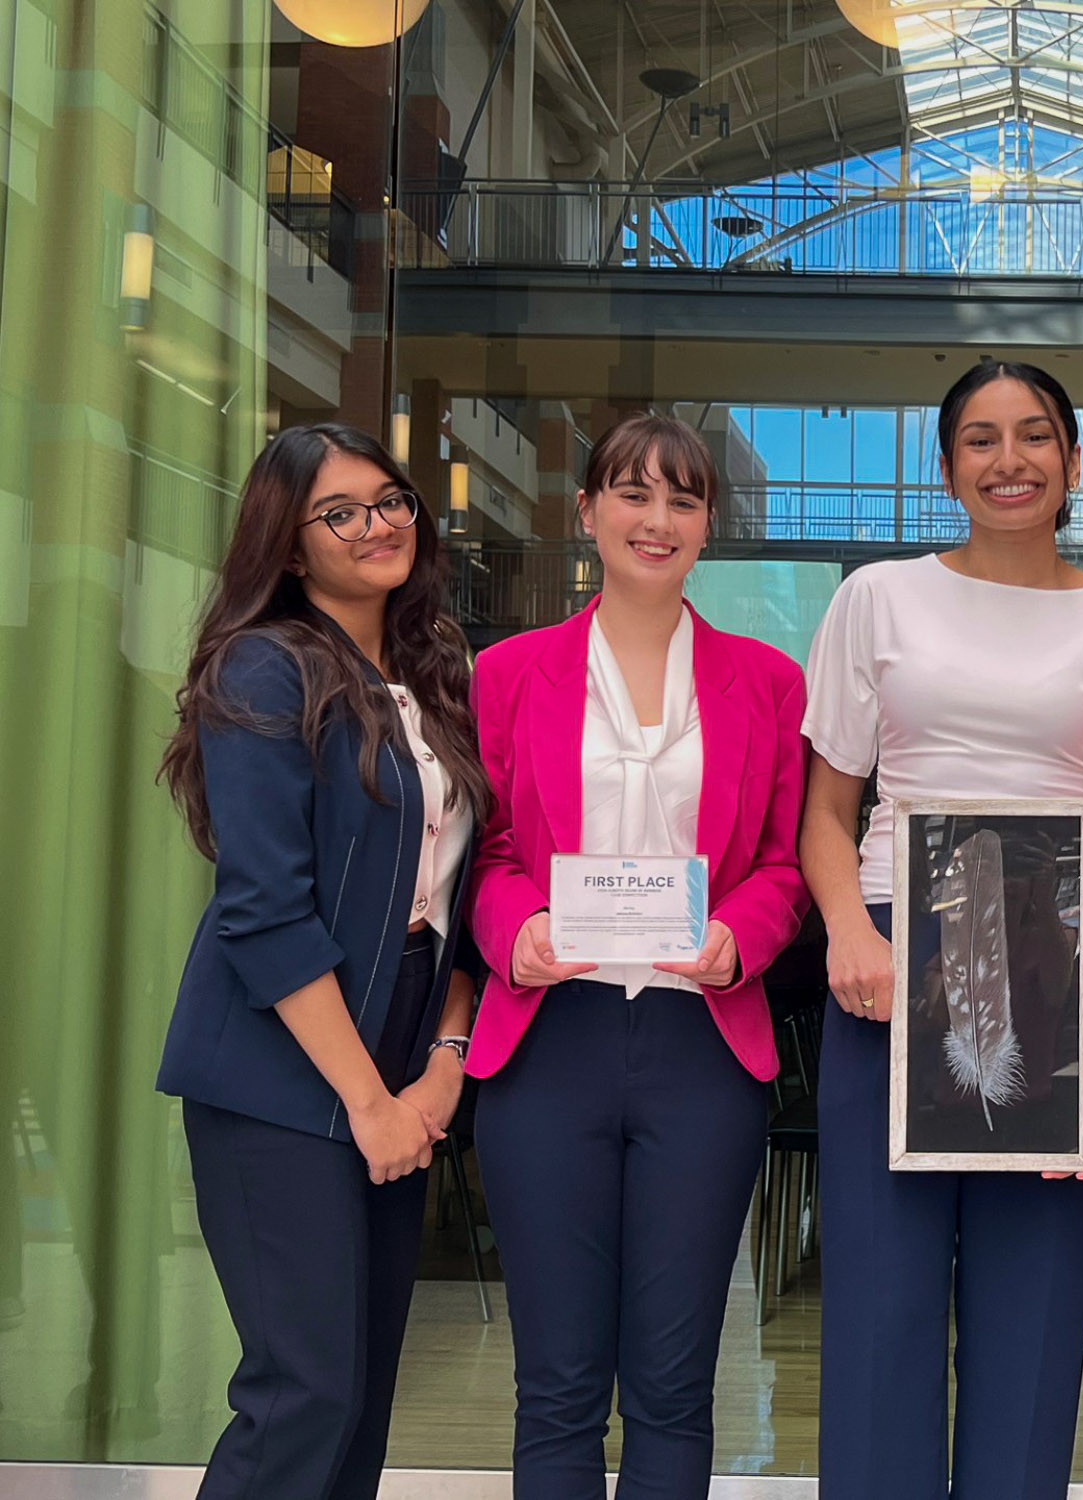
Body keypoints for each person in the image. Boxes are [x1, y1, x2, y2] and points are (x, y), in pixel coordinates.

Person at [801, 360, 1083, 1500]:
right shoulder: (874, 599)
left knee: (1030, 1328)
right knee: (878, 1316)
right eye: (980, 439)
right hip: (888, 964)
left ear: (1074, 463)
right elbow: (824, 815)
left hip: (1048, 963)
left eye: (1035, 437)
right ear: (947, 468)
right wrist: (847, 927)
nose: (1008, 459)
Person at [464, 412, 809, 1500]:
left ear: (709, 524)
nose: (656, 521)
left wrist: (736, 939)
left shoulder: (767, 683)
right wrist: (512, 929)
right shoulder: (508, 674)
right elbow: (490, 853)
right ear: (587, 512)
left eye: (682, 500)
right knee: (557, 1382)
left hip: (699, 1046)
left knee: (672, 1383)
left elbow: (782, 870)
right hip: (546, 1042)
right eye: (632, 494)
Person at [157, 424, 490, 1500]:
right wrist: (368, 1100)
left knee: (358, 1394)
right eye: (338, 513)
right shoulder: (262, 667)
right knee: (303, 1393)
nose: (376, 526)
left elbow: (448, 896)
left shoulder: (431, 674)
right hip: (280, 1062)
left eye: (390, 501)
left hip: (394, 1046)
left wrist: (439, 1062)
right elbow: (263, 912)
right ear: (289, 547)